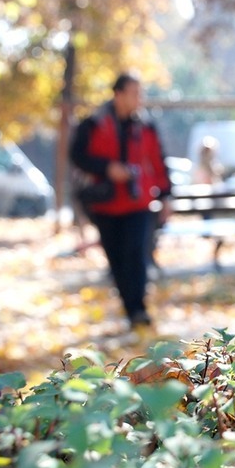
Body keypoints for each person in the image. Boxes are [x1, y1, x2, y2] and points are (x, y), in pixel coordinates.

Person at [70, 73, 172, 335]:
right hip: (105, 205)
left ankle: (139, 310)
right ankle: (130, 309)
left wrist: (166, 194)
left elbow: (158, 160)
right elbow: (78, 156)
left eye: (141, 93)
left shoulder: (146, 125)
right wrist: (107, 169)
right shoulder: (93, 123)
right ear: (118, 94)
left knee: (137, 255)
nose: (140, 99)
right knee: (116, 259)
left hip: (139, 205)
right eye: (135, 93)